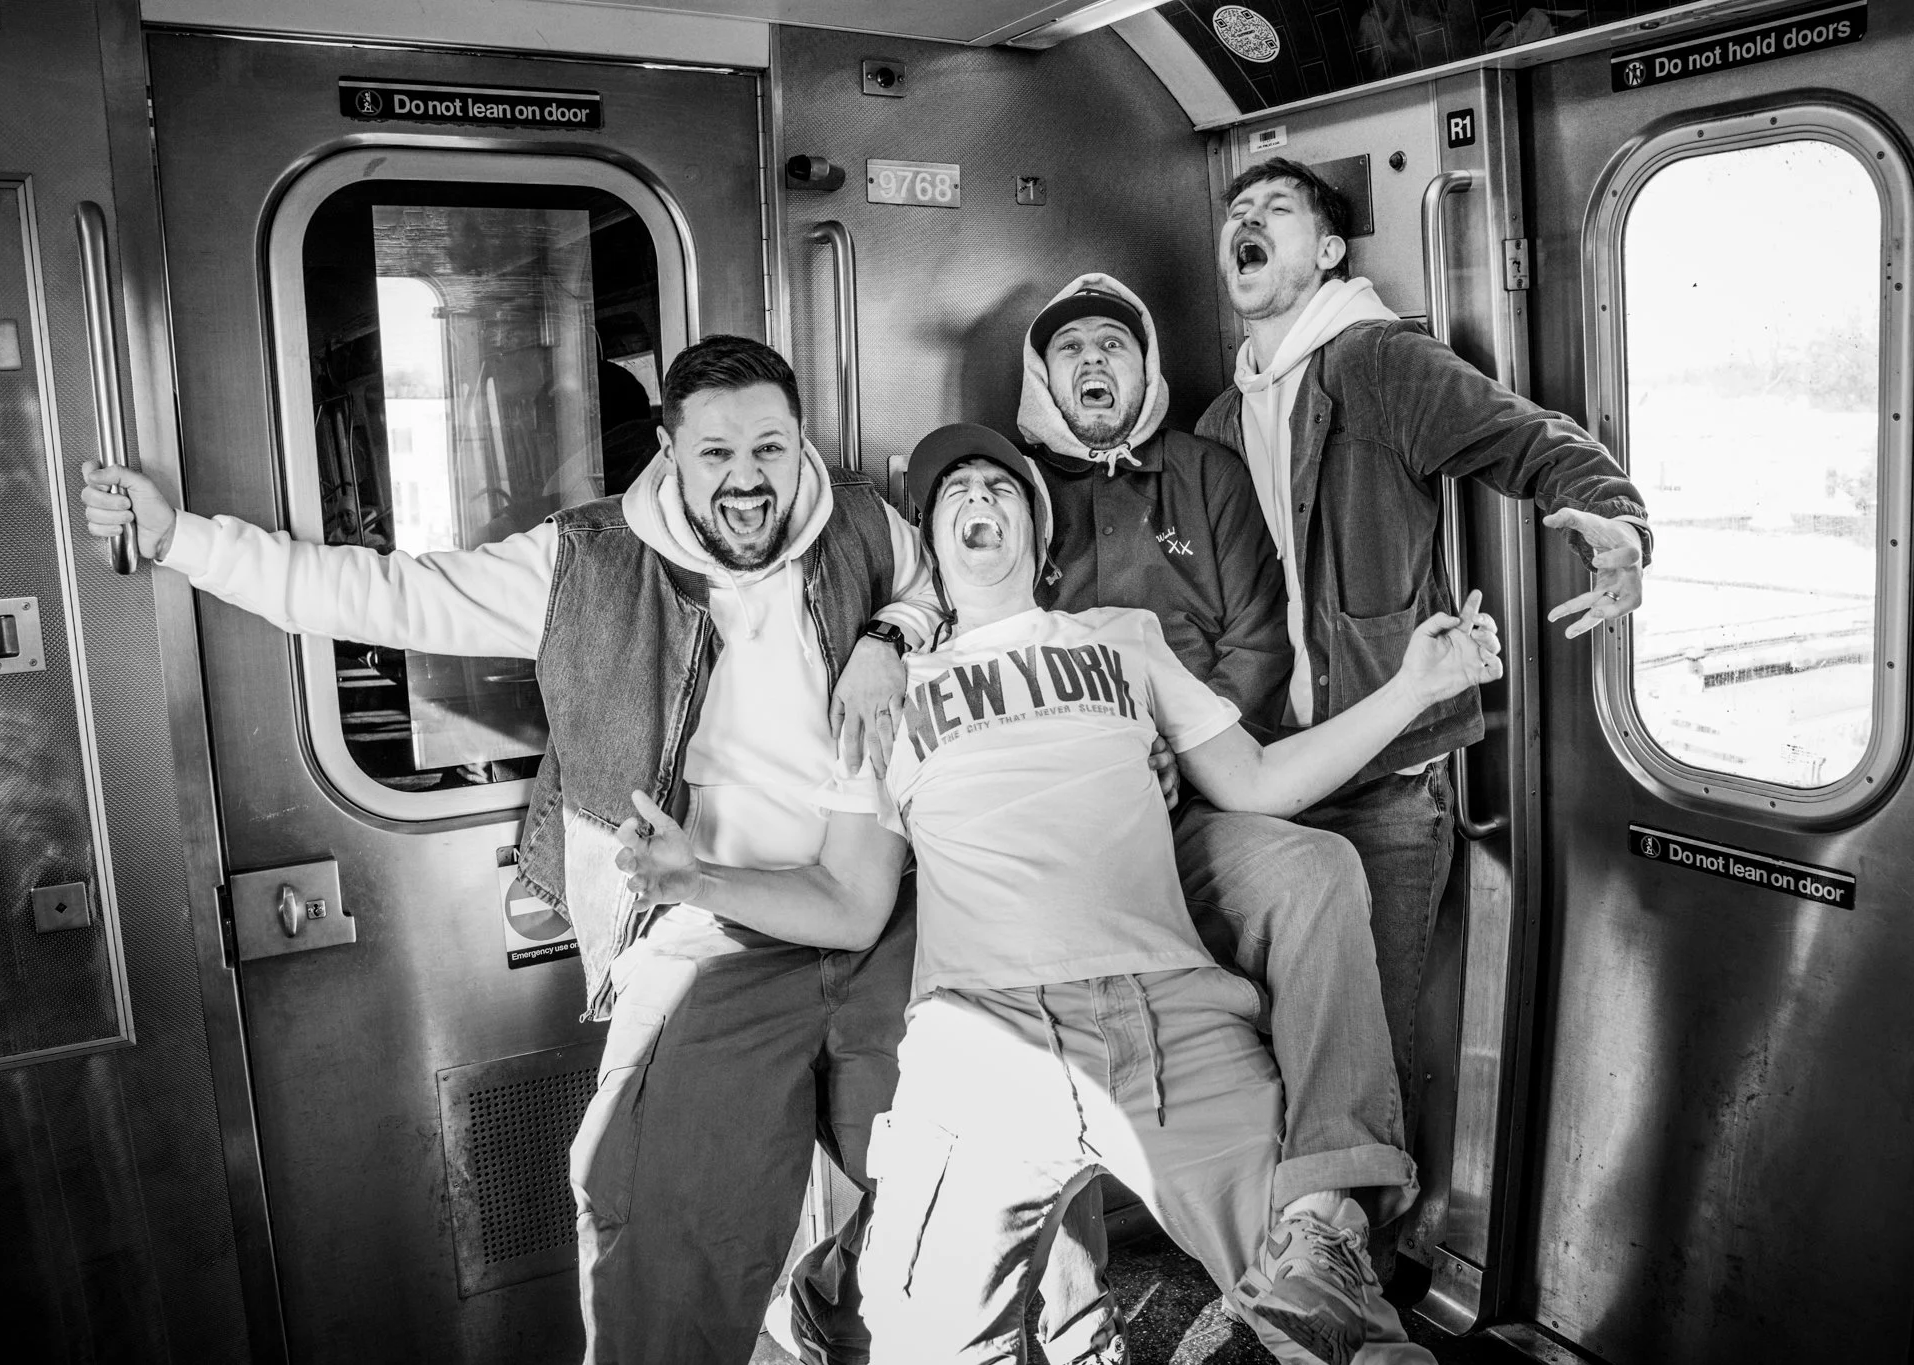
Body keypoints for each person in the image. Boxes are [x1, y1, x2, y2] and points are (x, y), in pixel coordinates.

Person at [79, 336, 938, 1365]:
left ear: (801, 443)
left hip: (872, 905)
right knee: (658, 1226)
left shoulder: (863, 524)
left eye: (770, 447)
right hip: (702, 926)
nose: (748, 479)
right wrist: (182, 540)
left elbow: (938, 590)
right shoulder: (584, 560)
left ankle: (838, 1310)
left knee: (958, 1168)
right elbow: (387, 593)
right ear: (668, 451)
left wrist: (890, 635)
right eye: (716, 453)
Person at [616, 426, 1503, 1364]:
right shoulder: (888, 696)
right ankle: (852, 1294)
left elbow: (1260, 783)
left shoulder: (1124, 638)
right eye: (954, 493)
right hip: (981, 1045)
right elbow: (848, 900)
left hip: (1170, 1024)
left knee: (1342, 1332)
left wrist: (1415, 688)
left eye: (1000, 487)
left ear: (1039, 538)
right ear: (933, 550)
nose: (977, 499)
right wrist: (695, 878)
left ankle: (1330, 1227)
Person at [1199, 156, 1651, 1151]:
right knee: (1266, 1056)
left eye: (1275, 207)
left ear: (1327, 251)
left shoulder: (1375, 363)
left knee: (1363, 1078)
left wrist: (1616, 523)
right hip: (1264, 784)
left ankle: (1373, 1244)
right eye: (1237, 209)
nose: (1247, 217)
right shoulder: (1220, 423)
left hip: (1384, 790)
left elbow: (1530, 440)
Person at [1014, 275, 1422, 1333]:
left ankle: (1331, 1216)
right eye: (1070, 349)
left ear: (1146, 369)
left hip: (1197, 794)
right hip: (1067, 828)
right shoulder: (1010, 492)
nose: (1093, 362)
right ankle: (1061, 1304)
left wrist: (1180, 753)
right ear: (1041, 378)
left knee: (1316, 869)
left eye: (1114, 345)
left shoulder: (1206, 473)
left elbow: (1255, 642)